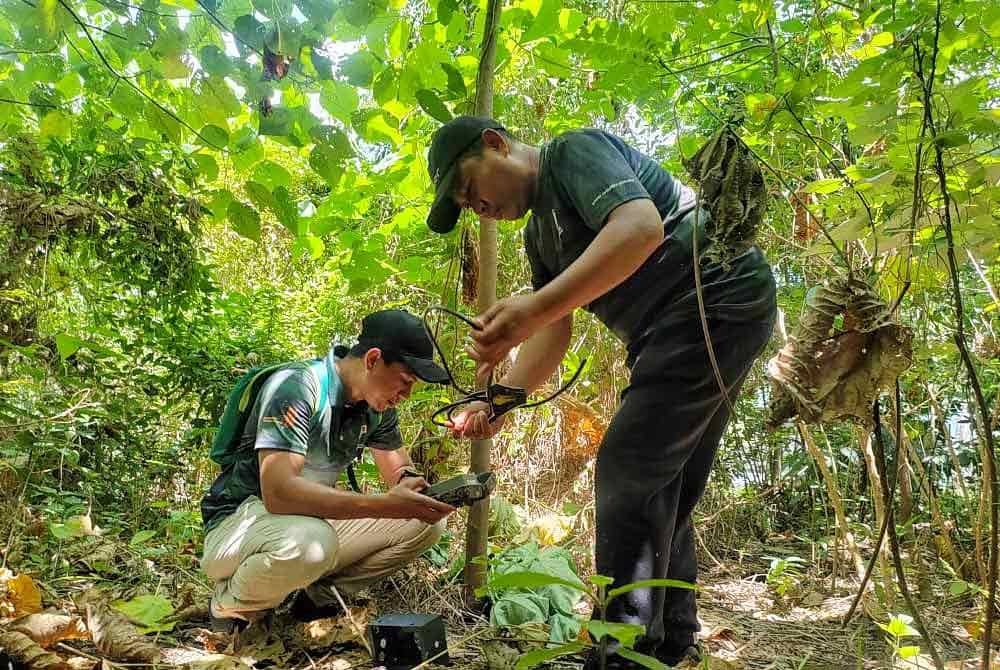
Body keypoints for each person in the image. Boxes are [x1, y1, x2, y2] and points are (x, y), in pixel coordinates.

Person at [424, 117, 776, 667]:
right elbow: (554, 330)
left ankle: (625, 651)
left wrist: (533, 309)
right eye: (466, 206)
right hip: (673, 329)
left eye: (470, 189)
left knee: (628, 467)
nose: (477, 207)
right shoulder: (540, 235)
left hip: (711, 296)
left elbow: (640, 228)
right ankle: (670, 641)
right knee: (662, 481)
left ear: (496, 143)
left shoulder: (571, 154)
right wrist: (498, 401)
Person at [200, 309, 456, 630]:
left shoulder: (376, 407)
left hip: (305, 525)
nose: (406, 395)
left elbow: (399, 469)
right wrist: (385, 505)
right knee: (313, 544)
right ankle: (229, 607)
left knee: (425, 524)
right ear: (373, 359)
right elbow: (279, 494)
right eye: (405, 382)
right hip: (239, 525)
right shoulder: (297, 388)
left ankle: (315, 600)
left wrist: (412, 486)